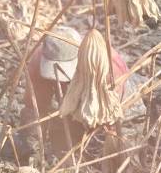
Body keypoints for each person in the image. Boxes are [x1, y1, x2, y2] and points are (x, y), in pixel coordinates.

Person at [15, 27, 129, 163]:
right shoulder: (38, 61)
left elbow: (112, 115)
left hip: (112, 98)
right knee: (61, 135)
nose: (58, 74)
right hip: (71, 95)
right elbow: (35, 108)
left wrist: (107, 144)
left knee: (115, 139)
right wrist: (31, 148)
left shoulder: (110, 67)